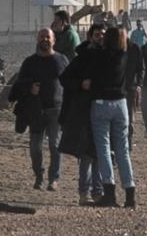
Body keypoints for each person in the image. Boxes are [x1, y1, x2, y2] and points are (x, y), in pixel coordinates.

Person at [86, 27, 136, 208]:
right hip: (121, 103)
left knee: (104, 149)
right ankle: (130, 193)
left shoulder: (99, 54)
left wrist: (96, 42)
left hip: (102, 102)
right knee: (123, 150)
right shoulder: (124, 54)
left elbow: (89, 56)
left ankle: (109, 192)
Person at [15, 28, 70, 191]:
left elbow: (69, 82)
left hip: (56, 109)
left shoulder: (61, 60)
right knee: (35, 148)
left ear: (53, 40)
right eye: (41, 37)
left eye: (48, 37)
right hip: (36, 111)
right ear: (37, 40)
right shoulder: (30, 62)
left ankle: (53, 179)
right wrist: (29, 88)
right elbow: (19, 84)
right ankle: (39, 175)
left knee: (55, 145)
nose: (44, 39)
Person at [59, 27, 103, 206]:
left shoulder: (109, 57)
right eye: (97, 34)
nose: (100, 37)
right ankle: (84, 191)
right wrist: (81, 84)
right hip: (84, 110)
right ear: (90, 37)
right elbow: (65, 79)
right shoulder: (81, 58)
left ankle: (98, 191)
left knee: (100, 152)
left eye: (103, 35)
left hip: (103, 110)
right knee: (86, 154)